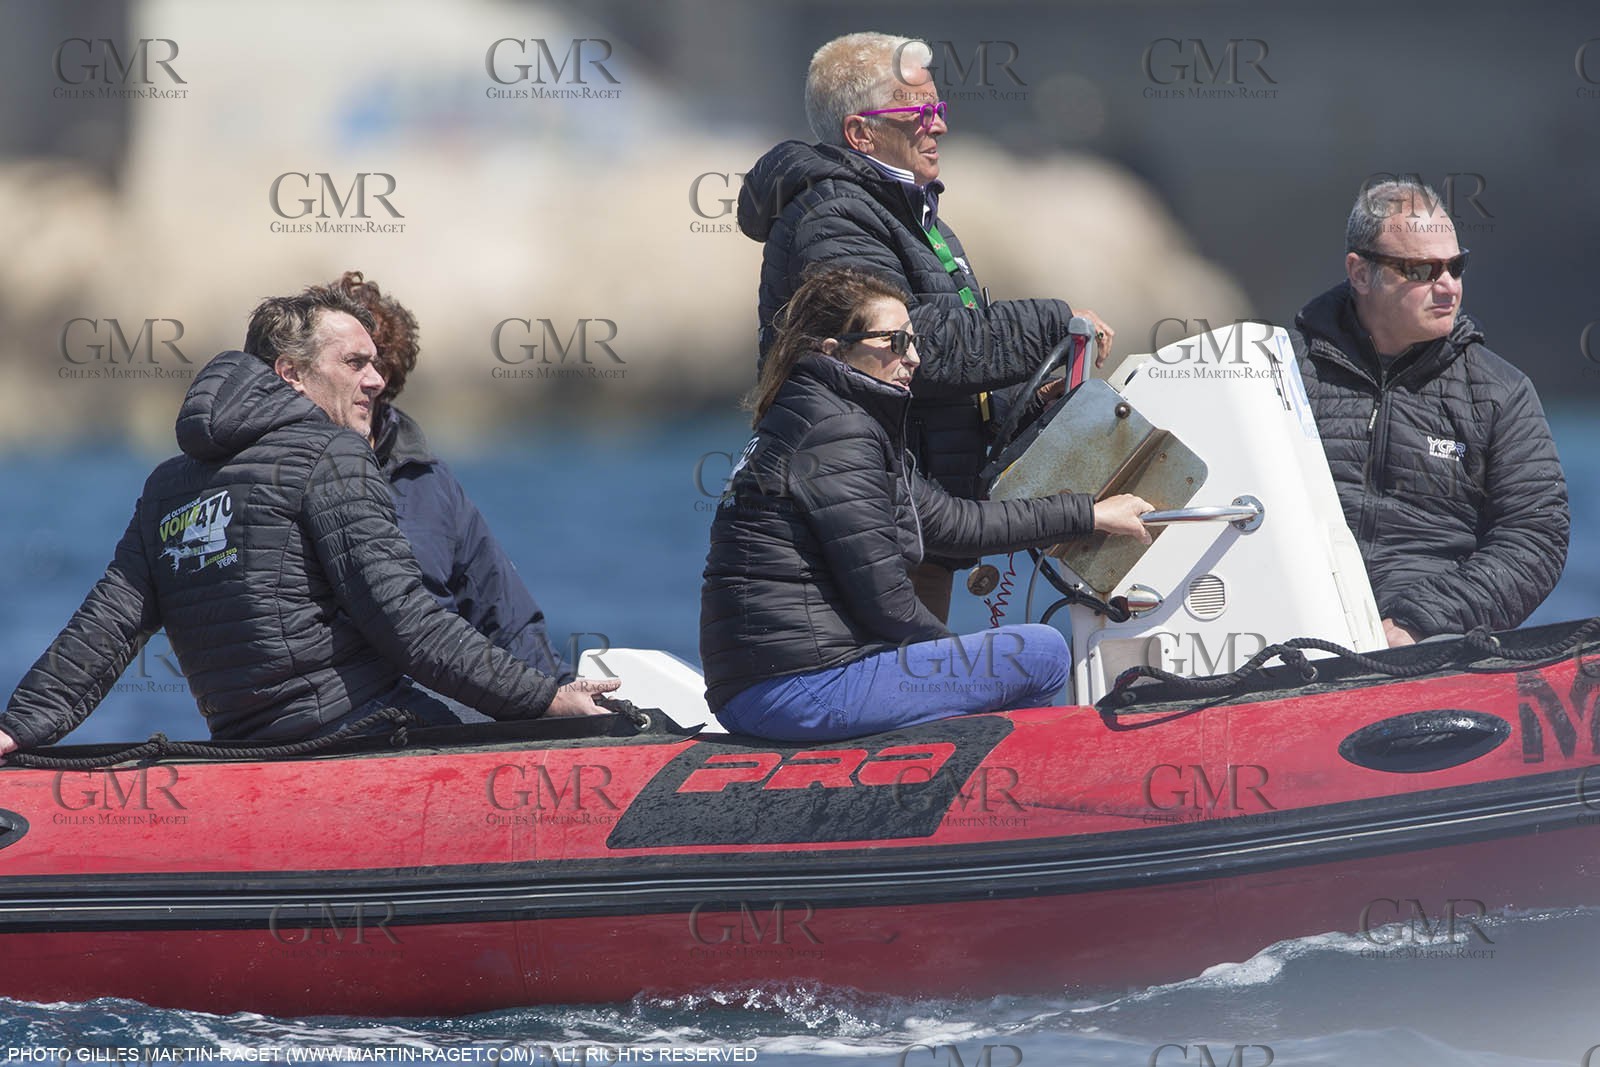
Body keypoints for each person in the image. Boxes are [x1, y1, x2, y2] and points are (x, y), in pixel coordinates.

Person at [0, 286, 614, 756]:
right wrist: (546, 699)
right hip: (363, 733)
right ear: (290, 374)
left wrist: (15, 728)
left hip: (255, 749)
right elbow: (409, 624)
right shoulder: (333, 455)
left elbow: (106, 626)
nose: (376, 381)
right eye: (354, 363)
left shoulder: (169, 484)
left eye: (375, 363)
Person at [737, 31, 1116, 623]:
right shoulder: (832, 214)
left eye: (938, 109)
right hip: (870, 516)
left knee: (927, 680)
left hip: (918, 514)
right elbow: (913, 349)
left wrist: (1033, 391)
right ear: (861, 133)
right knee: (906, 686)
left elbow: (945, 367)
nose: (937, 126)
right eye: (918, 113)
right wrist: (1051, 323)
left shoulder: (898, 209)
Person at [700, 266, 1152, 742]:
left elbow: (954, 523)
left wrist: (1087, 514)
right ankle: (992, 788)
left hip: (770, 683)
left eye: (913, 341)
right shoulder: (837, 433)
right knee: (1038, 654)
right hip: (796, 688)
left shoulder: (824, 417)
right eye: (896, 343)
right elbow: (886, 602)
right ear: (833, 350)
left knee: (1007, 658)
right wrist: (965, 667)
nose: (914, 358)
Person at [1289, 178, 1568, 646]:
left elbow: (1535, 538)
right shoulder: (1280, 369)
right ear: (1359, 273)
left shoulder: (1503, 392)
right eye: (1422, 270)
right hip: (1289, 629)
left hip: (1432, 640)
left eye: (1456, 267)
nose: (1449, 288)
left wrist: (1415, 624)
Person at [334, 270, 572, 681]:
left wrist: (562, 695)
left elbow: (506, 619)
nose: (367, 379)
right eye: (351, 362)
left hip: (443, 697)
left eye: (374, 364)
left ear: (387, 378)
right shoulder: (283, 472)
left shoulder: (430, 482)